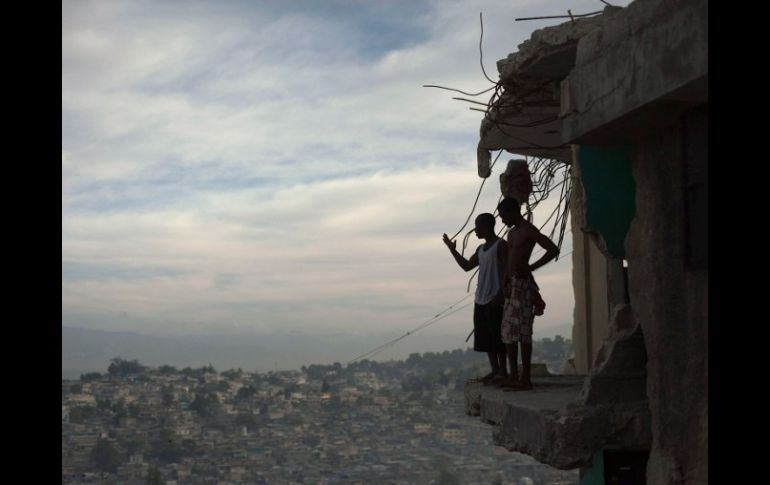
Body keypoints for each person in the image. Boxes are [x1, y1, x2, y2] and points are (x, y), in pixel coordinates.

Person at [497, 197, 559, 390]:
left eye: (503, 216)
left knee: (523, 332)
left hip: (523, 285)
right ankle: (513, 376)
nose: (502, 220)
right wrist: (505, 280)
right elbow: (510, 259)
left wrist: (531, 267)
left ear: (512, 212)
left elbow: (552, 249)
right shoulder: (511, 233)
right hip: (512, 284)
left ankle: (525, 380)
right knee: (508, 332)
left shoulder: (528, 230)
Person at [442, 213, 508, 384]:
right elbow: (466, 266)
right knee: (486, 337)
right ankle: (495, 371)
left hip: (495, 297)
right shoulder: (481, 249)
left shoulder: (501, 246)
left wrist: (501, 293)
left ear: (486, 226)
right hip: (481, 299)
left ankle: (503, 372)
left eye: (477, 226)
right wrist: (452, 250)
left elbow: (507, 271)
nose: (475, 230)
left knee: (498, 337)